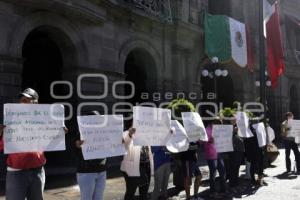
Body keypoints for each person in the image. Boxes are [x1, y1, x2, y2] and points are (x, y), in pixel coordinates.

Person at [0, 88, 67, 200]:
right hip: (16, 172)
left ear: (36, 102)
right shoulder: (11, 121)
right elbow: (2, 147)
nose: (24, 103)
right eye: (22, 100)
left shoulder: (45, 120)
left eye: (28, 100)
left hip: (37, 171)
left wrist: (59, 135)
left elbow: (51, 144)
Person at [75, 110, 107, 200]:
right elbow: (74, 146)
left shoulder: (105, 133)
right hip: (87, 172)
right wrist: (77, 145)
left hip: (102, 170)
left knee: (99, 198)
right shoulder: (82, 133)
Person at [121, 126, 154, 200]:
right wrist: (130, 134)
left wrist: (169, 133)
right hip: (132, 168)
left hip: (146, 166)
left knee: (144, 191)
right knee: (131, 191)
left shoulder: (146, 134)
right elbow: (124, 142)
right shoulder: (127, 133)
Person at [204, 119, 226, 198]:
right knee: (213, 174)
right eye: (218, 125)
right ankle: (212, 192)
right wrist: (209, 141)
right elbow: (203, 142)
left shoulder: (218, 129)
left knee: (223, 172)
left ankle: (223, 190)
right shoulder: (207, 130)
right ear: (213, 123)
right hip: (211, 155)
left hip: (219, 153)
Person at [244, 119, 266, 186]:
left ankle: (260, 180)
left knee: (260, 165)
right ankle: (253, 180)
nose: (257, 122)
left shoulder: (260, 127)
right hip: (253, 151)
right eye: (256, 122)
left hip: (260, 149)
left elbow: (263, 137)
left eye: (257, 121)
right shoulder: (248, 129)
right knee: (253, 165)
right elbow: (247, 141)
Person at [227, 115, 244, 192]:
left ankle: (236, 185)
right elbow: (226, 138)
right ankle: (232, 186)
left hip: (239, 150)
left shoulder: (238, 127)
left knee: (237, 168)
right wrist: (233, 132)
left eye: (235, 119)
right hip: (232, 151)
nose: (234, 120)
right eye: (233, 119)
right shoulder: (227, 128)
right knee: (232, 169)